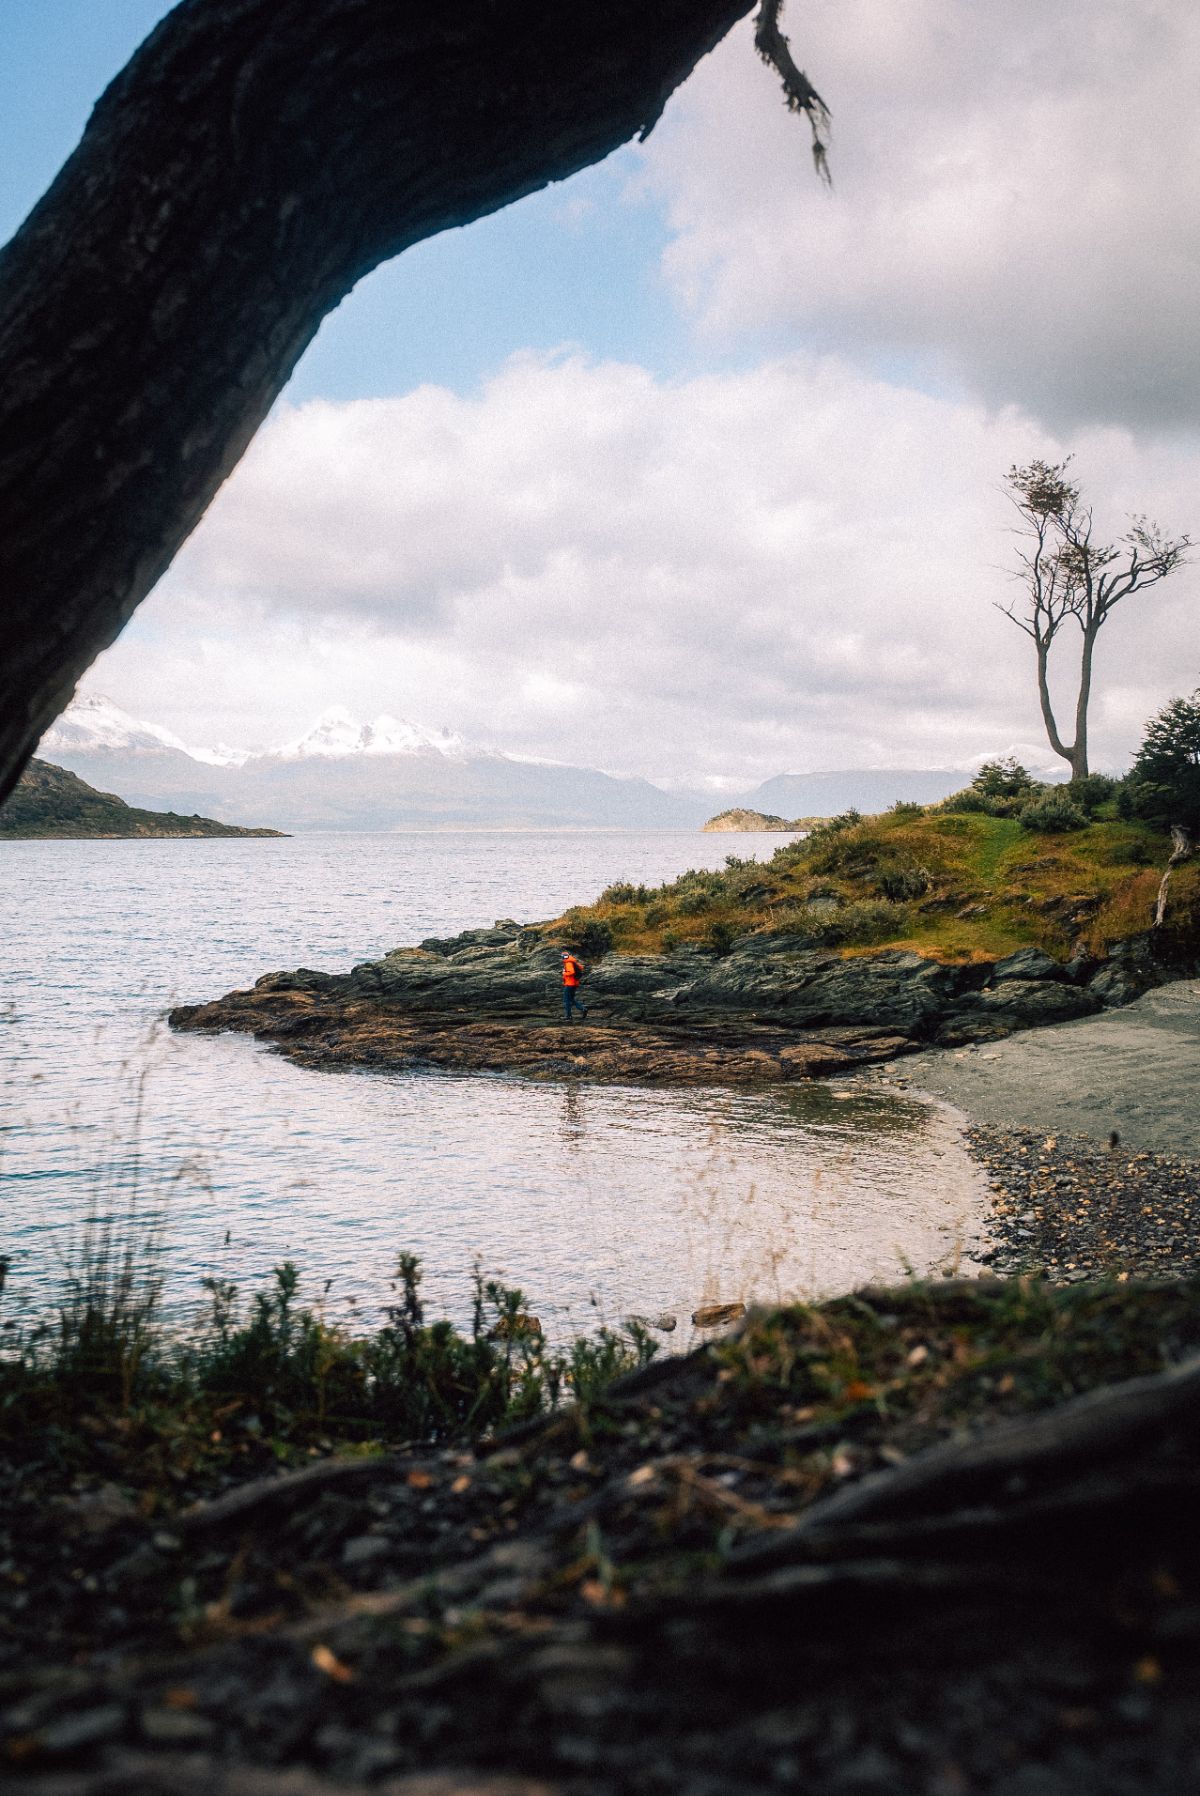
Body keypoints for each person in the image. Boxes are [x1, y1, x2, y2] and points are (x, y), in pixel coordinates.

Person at [560, 950, 588, 1021]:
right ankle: (583, 1009)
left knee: (566, 1000)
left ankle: (568, 1016)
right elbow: (581, 967)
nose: (564, 958)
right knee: (571, 999)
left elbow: (571, 972)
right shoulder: (573, 962)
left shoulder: (568, 963)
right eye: (564, 956)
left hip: (569, 984)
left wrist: (564, 973)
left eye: (564, 956)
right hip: (574, 984)